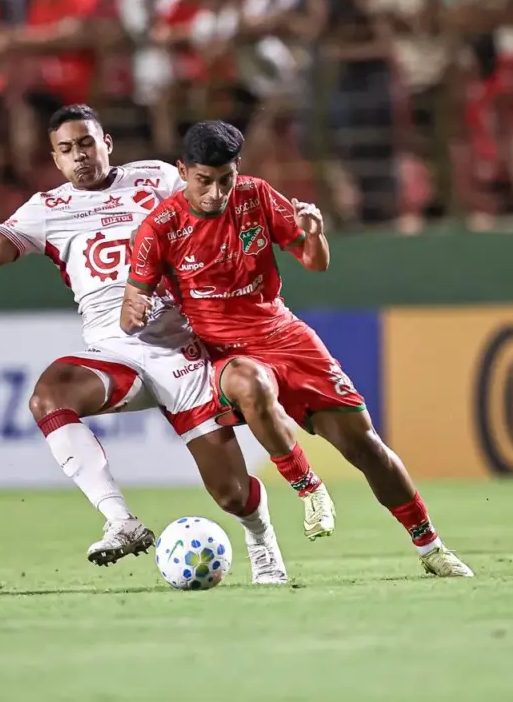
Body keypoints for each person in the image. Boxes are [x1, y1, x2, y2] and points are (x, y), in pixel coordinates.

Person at [0, 105, 288, 583]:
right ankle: (121, 521)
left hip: (182, 349)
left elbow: (221, 212)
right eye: (66, 149)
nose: (79, 156)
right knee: (49, 394)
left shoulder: (158, 178)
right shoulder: (47, 210)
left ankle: (261, 540)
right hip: (113, 352)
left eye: (86, 143)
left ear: (107, 144)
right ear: (55, 159)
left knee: (231, 493)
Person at [121, 121, 474, 577]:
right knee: (250, 383)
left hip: (285, 335)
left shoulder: (257, 196)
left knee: (365, 446)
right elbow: (132, 305)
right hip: (224, 351)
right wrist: (135, 312)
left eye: (224, 179)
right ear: (182, 170)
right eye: (203, 181)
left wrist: (315, 233)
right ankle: (309, 488)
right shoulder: (160, 229)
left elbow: (315, 262)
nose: (214, 193)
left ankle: (431, 546)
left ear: (237, 170)